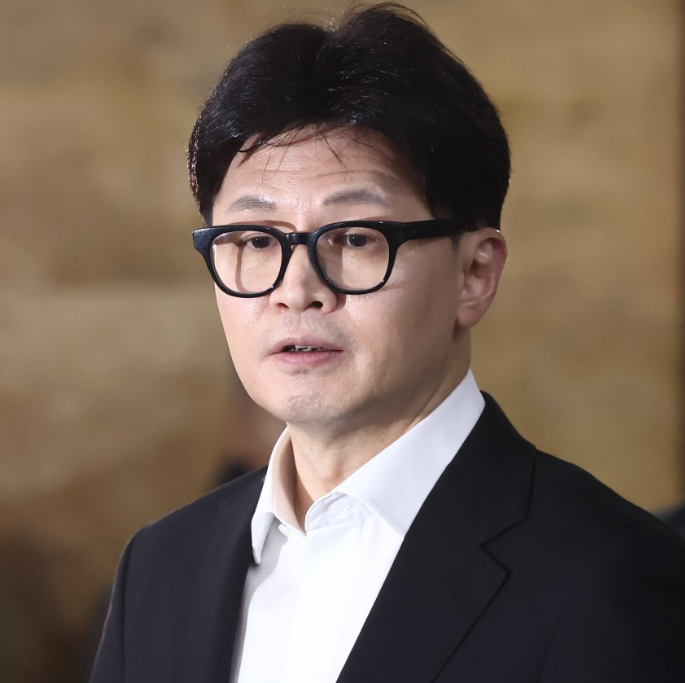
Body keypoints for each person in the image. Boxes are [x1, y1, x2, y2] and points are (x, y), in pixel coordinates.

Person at [90, 4, 685, 682]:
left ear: (474, 274)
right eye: (255, 241)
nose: (297, 290)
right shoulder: (160, 567)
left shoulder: (608, 574)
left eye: (353, 238)